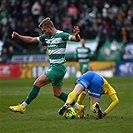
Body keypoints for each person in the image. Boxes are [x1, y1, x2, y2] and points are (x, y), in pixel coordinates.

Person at [9, 17, 85, 114]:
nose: (43, 33)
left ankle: (23, 106)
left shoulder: (61, 35)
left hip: (58, 68)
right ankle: (79, 107)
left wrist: (77, 35)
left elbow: (75, 39)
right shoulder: (46, 36)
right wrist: (19, 36)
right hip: (56, 68)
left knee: (37, 83)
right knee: (57, 93)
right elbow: (32, 39)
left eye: (44, 30)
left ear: (50, 28)